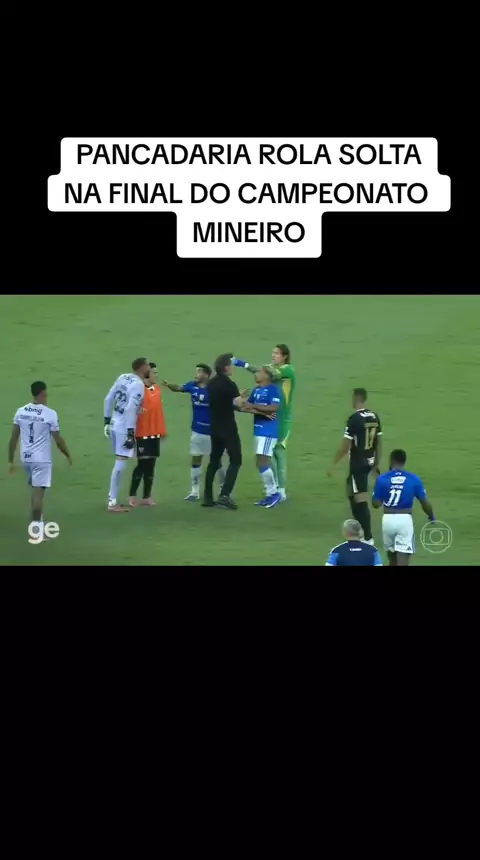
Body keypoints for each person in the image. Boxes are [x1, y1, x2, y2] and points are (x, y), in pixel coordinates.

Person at [8, 381, 72, 540]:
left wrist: (11, 460)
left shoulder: (21, 411)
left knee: (35, 491)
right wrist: (67, 454)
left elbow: (13, 438)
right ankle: (36, 533)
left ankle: (37, 524)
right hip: (41, 460)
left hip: (26, 458)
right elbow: (58, 440)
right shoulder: (49, 414)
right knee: (38, 496)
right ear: (43, 393)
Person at [232, 343, 295, 501]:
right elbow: (263, 372)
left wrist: (245, 365)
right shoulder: (269, 372)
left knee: (278, 451)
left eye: (277, 353)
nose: (273, 355)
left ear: (285, 356)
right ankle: (274, 488)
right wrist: (244, 365)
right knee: (267, 454)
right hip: (269, 415)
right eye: (273, 352)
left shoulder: (287, 369)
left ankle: (281, 490)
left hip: (282, 417)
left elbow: (269, 373)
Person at [327, 387, 382, 545]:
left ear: (355, 399)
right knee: (351, 491)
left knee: (360, 499)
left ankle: (368, 538)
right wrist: (376, 464)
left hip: (359, 463)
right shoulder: (374, 416)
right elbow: (379, 443)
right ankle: (360, 530)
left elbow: (346, 446)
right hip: (369, 460)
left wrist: (333, 464)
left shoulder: (354, 419)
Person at [163, 363, 225, 501]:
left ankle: (223, 489)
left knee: (217, 461)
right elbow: (179, 388)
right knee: (196, 459)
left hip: (213, 432)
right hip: (197, 431)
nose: (196, 374)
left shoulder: (214, 388)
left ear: (206, 375)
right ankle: (194, 491)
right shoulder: (192, 385)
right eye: (196, 371)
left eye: (199, 372)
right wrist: (168, 385)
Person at [372, 449, 436, 566]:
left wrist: (377, 487)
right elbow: (424, 502)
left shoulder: (382, 479)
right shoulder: (413, 479)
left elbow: (376, 504)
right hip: (404, 520)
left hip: (387, 520)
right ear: (404, 462)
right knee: (403, 558)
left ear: (391, 461)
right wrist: (431, 516)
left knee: (392, 558)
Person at [104, 357, 150, 512]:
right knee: (121, 462)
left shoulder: (123, 377)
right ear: (142, 367)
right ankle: (112, 502)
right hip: (124, 427)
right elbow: (131, 408)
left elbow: (108, 398)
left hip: (114, 423)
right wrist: (130, 433)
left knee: (120, 460)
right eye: (147, 366)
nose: (149, 368)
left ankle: (112, 500)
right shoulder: (139, 385)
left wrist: (106, 421)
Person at [235, 366, 282, 508]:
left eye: (260, 372)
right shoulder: (256, 390)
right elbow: (245, 407)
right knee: (260, 463)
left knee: (263, 462)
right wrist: (245, 405)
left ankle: (274, 493)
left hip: (268, 431)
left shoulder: (273, 389)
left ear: (267, 376)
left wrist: (252, 406)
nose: (257, 374)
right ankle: (270, 494)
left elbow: (274, 408)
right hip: (258, 430)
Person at [202, 353, 243, 510]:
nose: (232, 368)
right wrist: (245, 399)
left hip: (215, 427)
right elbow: (238, 405)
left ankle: (207, 497)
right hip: (228, 428)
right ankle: (225, 495)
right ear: (226, 367)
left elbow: (220, 402)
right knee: (236, 459)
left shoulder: (211, 383)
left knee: (214, 461)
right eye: (230, 365)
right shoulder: (230, 385)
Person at [129, 362, 167, 507]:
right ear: (146, 374)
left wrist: (162, 431)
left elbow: (159, 412)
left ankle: (146, 496)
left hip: (154, 433)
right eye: (154, 373)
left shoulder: (157, 389)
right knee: (142, 465)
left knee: (151, 465)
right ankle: (132, 495)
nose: (156, 375)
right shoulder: (139, 390)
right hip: (142, 433)